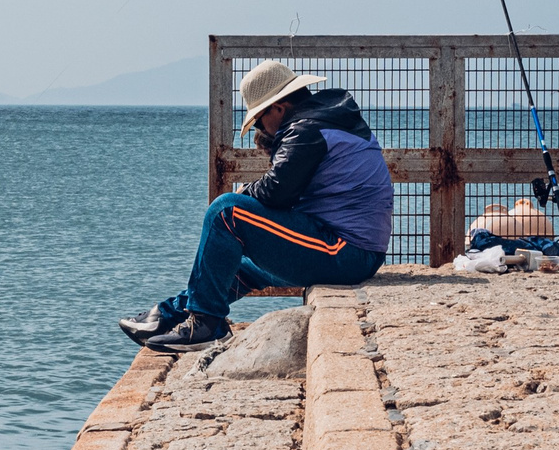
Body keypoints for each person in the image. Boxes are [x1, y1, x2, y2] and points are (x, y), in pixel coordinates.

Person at [121, 60, 395, 353]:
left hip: (345, 252)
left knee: (226, 211)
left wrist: (245, 191)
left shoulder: (306, 130)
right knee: (241, 267)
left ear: (277, 107)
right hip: (354, 250)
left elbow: (277, 193)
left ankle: (206, 326)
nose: (263, 129)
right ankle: (170, 314)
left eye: (260, 119)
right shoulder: (327, 119)